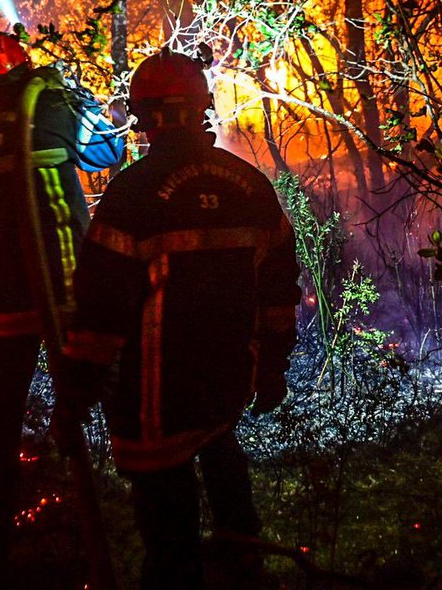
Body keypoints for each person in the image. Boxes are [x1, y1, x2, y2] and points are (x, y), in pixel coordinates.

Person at [62, 47, 301, 590]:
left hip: (154, 405)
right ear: (203, 107)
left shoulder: (130, 196)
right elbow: (279, 292)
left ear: (143, 119)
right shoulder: (253, 189)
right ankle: (244, 567)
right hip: (225, 388)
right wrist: (271, 369)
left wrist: (76, 389)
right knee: (224, 465)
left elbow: (100, 306)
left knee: (169, 542)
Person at [0, 27, 119, 587]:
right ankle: (115, 513)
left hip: (3, 291)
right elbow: (109, 150)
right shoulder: (53, 104)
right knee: (104, 382)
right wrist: (77, 92)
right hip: (65, 278)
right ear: (25, 67)